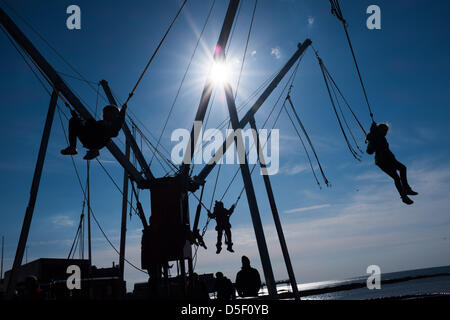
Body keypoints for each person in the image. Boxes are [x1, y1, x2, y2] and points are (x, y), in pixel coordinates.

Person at [366, 121, 418, 205]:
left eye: (386, 130)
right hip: (383, 160)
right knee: (401, 171)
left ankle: (405, 194)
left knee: (398, 175)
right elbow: (369, 150)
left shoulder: (377, 136)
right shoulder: (375, 136)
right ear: (380, 130)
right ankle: (405, 192)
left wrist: (372, 136)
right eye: (384, 130)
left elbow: (371, 146)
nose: (386, 132)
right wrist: (372, 136)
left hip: (387, 159)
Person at [60, 104, 127, 160]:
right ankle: (73, 147)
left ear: (113, 114)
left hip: (97, 140)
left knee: (97, 125)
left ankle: (94, 150)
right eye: (104, 113)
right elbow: (86, 125)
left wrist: (123, 110)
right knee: (74, 121)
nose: (104, 115)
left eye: (107, 113)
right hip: (89, 138)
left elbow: (120, 120)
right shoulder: (100, 123)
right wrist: (76, 117)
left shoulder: (112, 125)